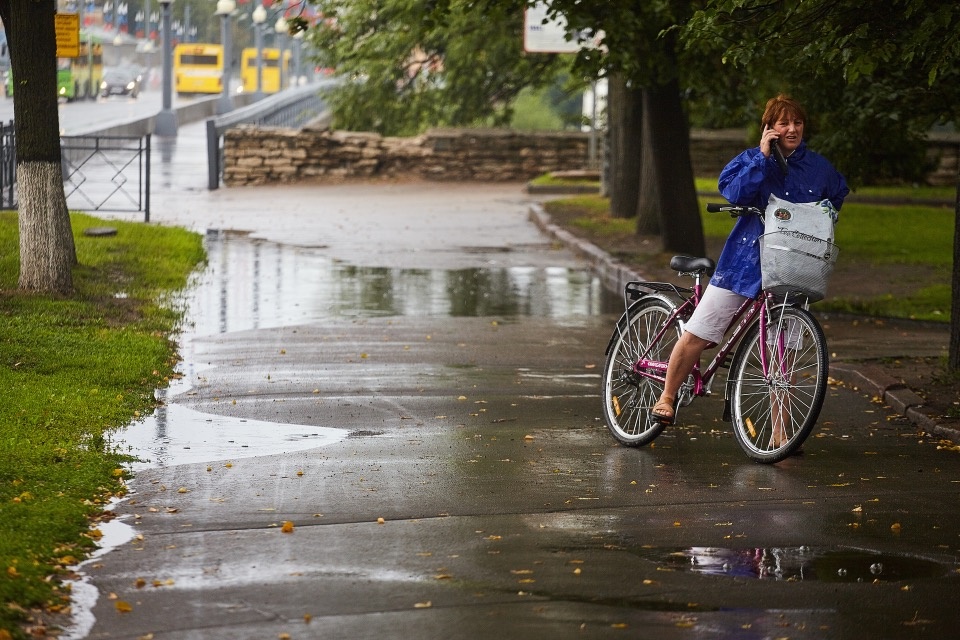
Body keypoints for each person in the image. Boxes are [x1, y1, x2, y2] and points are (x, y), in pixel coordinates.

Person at [651, 94, 849, 426]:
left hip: (793, 266)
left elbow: (837, 195)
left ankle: (782, 435)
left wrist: (823, 216)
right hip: (744, 264)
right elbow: (734, 192)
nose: (792, 129)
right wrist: (762, 156)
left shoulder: (819, 168)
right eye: (783, 123)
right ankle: (667, 397)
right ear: (769, 128)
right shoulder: (752, 159)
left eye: (797, 122)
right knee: (701, 332)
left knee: (782, 357)